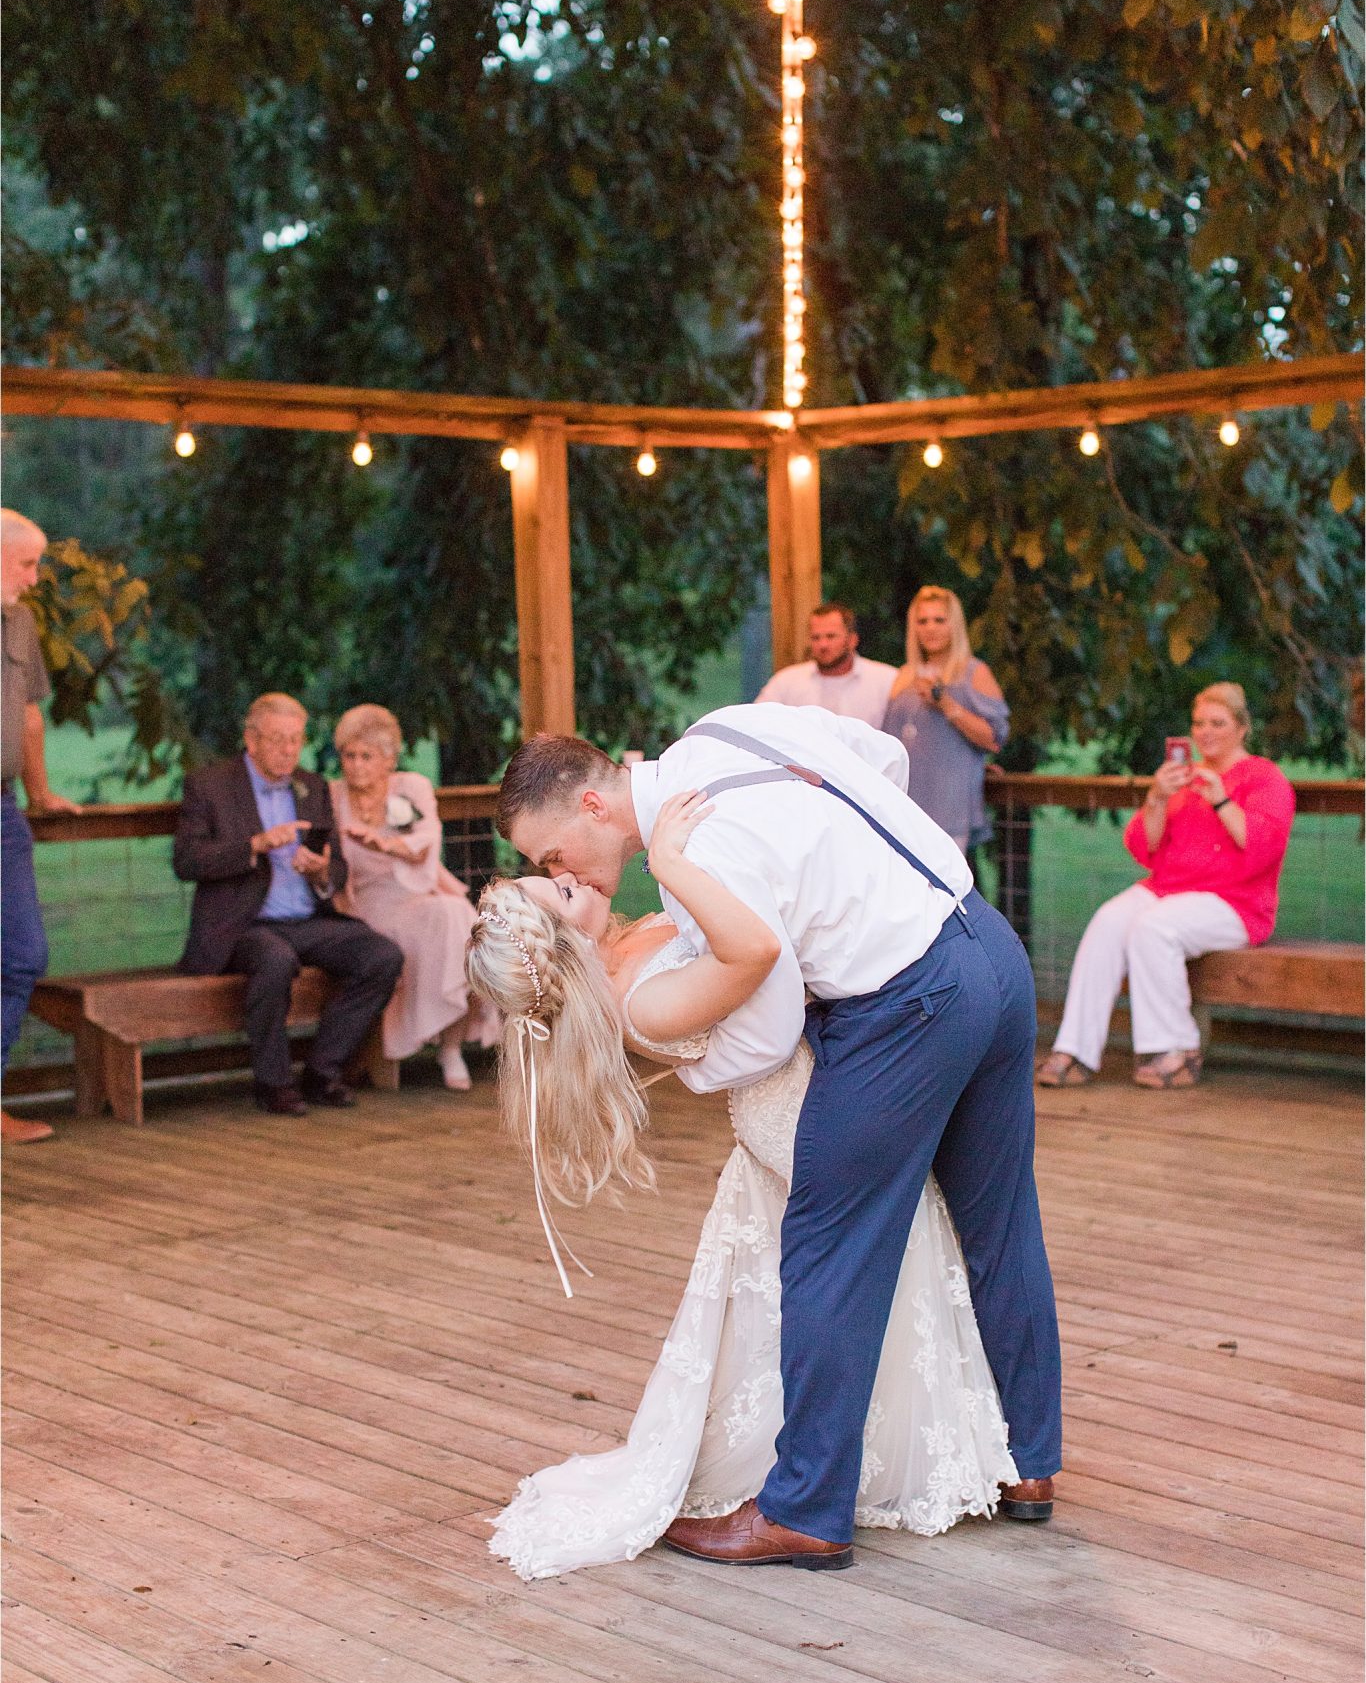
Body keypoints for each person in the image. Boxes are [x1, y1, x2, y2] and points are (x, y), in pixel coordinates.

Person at [494, 702, 1063, 1571]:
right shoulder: (723, 728)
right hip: (983, 939)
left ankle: (806, 1507)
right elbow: (877, 757)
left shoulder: (700, 856)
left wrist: (694, 1067)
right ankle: (1029, 1464)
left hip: (908, 1002)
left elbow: (761, 1037)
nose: (562, 870)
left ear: (594, 808)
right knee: (1001, 1220)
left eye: (553, 854)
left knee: (829, 1245)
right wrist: (850, 871)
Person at [1037, 682, 1295, 1091]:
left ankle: (1177, 1051)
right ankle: (1075, 1049)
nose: (1205, 732)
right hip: (1169, 889)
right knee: (1107, 921)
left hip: (1236, 902)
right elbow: (1145, 847)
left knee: (1154, 927)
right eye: (1198, 723)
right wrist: (1157, 797)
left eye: (1217, 723)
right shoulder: (1182, 778)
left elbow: (1263, 849)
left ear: (1242, 728)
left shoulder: (1265, 778)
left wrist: (1222, 801)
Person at [173, 693, 403, 1115]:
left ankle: (322, 1071)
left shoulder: (311, 786)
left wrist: (320, 872)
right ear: (252, 739)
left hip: (306, 920)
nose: (288, 750)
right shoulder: (210, 786)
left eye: (295, 740)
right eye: (278, 739)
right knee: (275, 960)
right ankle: (273, 1083)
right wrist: (254, 845)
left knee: (381, 956)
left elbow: (339, 870)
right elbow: (186, 861)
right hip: (243, 926)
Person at [328, 703, 497, 1090]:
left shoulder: (409, 789)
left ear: (388, 759)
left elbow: (425, 843)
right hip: (364, 906)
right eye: (348, 756)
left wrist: (387, 845)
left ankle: (450, 1048)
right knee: (446, 918)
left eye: (366, 756)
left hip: (415, 893)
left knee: (455, 915)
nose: (355, 766)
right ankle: (419, 1045)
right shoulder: (333, 796)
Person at [1, 509, 81, 1145]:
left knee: (23, 955)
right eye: (25, 563)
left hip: (3, 809)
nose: (34, 578)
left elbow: (28, 716)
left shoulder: (20, 620)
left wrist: (39, 792)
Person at [883, 585, 1010, 853]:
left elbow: (994, 739)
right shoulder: (904, 675)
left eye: (939, 620)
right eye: (922, 621)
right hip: (903, 808)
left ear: (955, 625)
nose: (930, 628)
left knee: (943, 892)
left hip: (947, 812)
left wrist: (946, 704)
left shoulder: (974, 672)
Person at [757, 602, 897, 728]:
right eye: (815, 637)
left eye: (831, 636)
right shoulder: (786, 681)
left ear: (853, 640)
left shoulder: (887, 680)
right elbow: (757, 723)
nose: (822, 645)